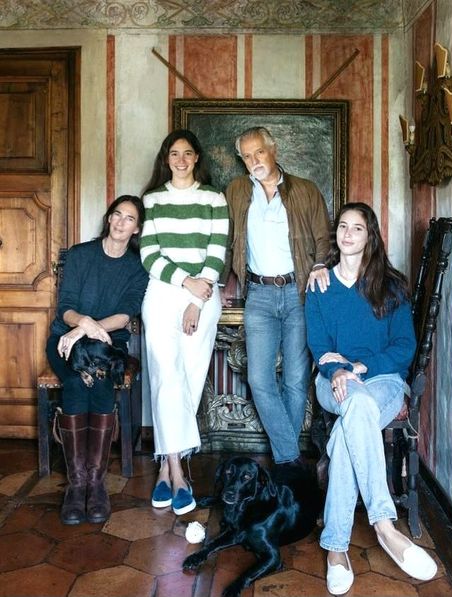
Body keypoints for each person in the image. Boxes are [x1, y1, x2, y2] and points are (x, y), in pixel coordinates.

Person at [305, 202, 437, 595]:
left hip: (382, 382)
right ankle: (386, 525)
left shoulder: (391, 286)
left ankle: (335, 548)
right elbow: (319, 347)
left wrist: (357, 367)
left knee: (354, 417)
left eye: (357, 228)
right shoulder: (320, 285)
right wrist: (336, 370)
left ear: (370, 236)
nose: (347, 234)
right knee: (354, 404)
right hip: (334, 384)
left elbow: (404, 347)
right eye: (342, 227)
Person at [223, 126, 330, 467]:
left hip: (299, 293)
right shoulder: (237, 191)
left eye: (260, 152)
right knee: (258, 378)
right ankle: (291, 458)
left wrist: (319, 265)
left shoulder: (306, 190)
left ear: (274, 150)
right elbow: (227, 239)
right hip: (258, 294)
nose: (254, 161)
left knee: (297, 378)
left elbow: (323, 240)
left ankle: (285, 462)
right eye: (247, 156)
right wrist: (221, 281)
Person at [140, 129, 229, 515]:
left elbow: (217, 248)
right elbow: (148, 253)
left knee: (190, 378)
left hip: (204, 296)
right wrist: (184, 282)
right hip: (162, 293)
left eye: (187, 153)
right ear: (166, 158)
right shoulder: (153, 200)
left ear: (196, 159)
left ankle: (164, 464)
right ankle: (177, 472)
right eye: (173, 153)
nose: (180, 159)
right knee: (166, 377)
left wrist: (196, 295)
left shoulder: (213, 197)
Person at [46, 195, 149, 526]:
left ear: (137, 228)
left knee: (102, 378)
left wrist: (91, 329)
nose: (120, 222)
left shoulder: (137, 267)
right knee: (76, 381)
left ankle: (96, 483)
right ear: (108, 219)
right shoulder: (80, 256)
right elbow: (67, 307)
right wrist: (81, 326)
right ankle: (77, 487)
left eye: (129, 219)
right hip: (65, 341)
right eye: (116, 215)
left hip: (108, 344)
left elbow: (124, 315)